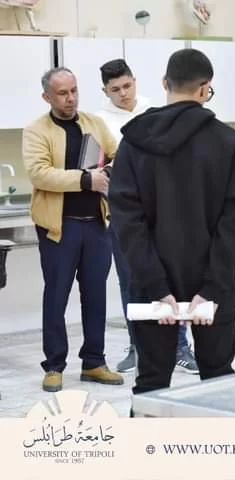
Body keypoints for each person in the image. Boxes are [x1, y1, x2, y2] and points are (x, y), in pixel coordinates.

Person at [108, 48, 235, 403]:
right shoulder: (228, 142)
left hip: (150, 289)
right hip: (213, 284)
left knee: (151, 384)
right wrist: (212, 287)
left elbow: (126, 221)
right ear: (205, 88)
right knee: (218, 380)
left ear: (164, 83)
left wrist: (156, 286)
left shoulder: (133, 143)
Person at [23, 67, 124, 392]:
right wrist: (85, 179)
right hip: (59, 228)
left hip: (96, 225)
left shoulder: (95, 123)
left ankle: (94, 362)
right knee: (56, 297)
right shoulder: (36, 130)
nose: (71, 98)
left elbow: (119, 155)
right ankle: (54, 366)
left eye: (74, 90)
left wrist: (109, 170)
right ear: (47, 97)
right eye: (63, 93)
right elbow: (39, 173)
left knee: (95, 296)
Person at [95, 58, 198, 375]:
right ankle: (136, 346)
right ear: (105, 91)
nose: (123, 93)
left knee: (172, 280)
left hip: (165, 214)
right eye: (115, 89)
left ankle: (180, 347)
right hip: (124, 217)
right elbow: (98, 168)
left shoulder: (156, 112)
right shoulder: (99, 122)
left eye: (127, 86)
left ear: (135, 81)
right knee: (130, 282)